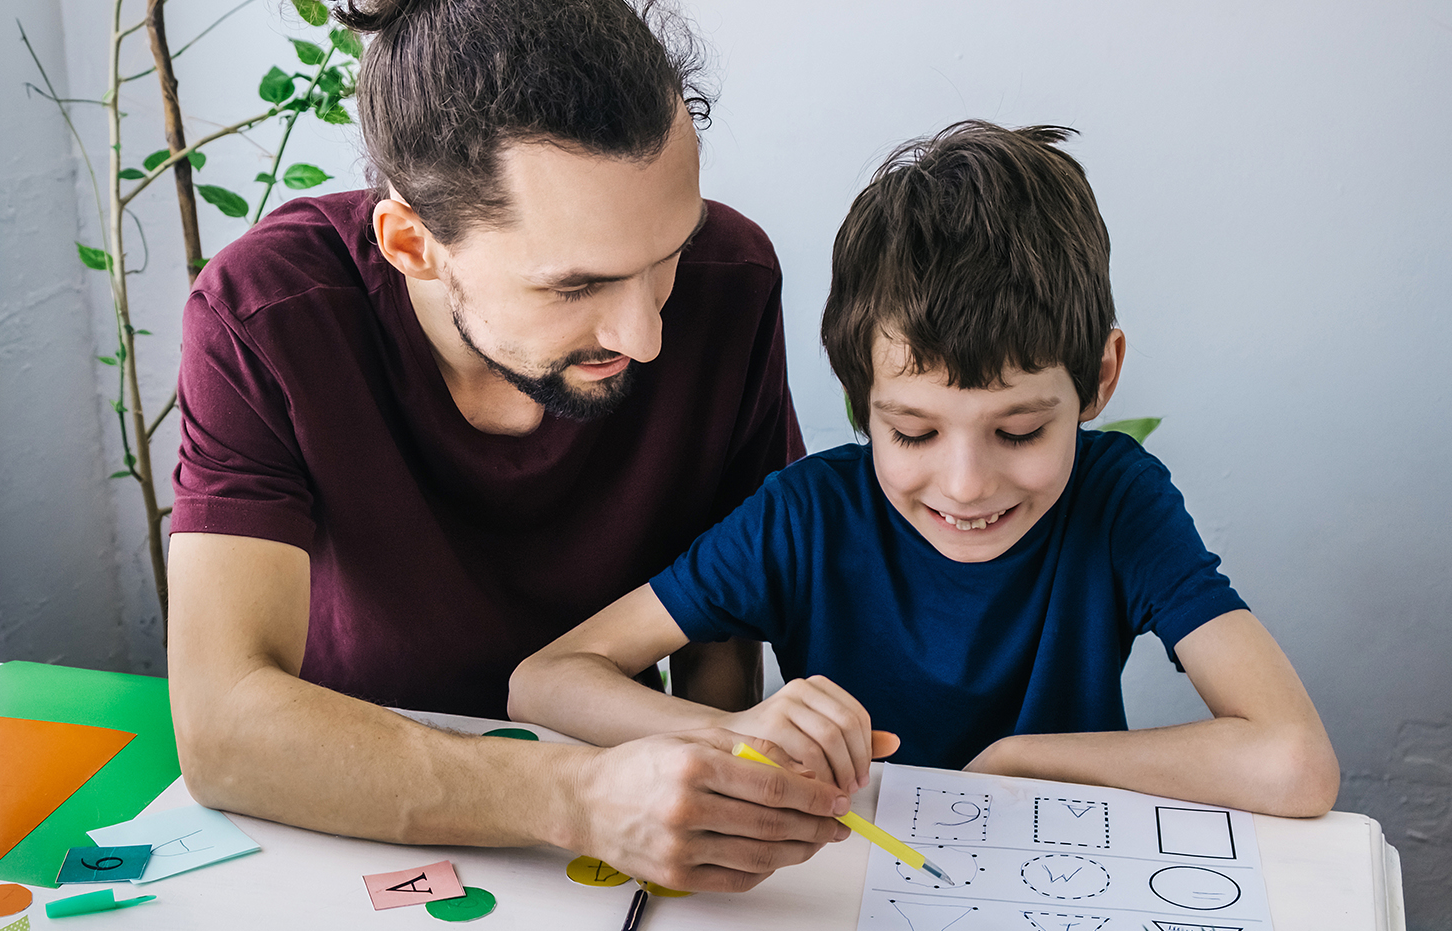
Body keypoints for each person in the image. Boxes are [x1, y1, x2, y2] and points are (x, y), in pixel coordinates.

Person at [165, 0, 853, 893]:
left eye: (667, 254)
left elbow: (720, 631)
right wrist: (576, 797)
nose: (645, 334)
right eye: (576, 286)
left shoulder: (733, 279)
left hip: (629, 839)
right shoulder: (265, 315)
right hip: (354, 826)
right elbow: (224, 727)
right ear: (413, 243)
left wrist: (716, 803)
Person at [509, 121, 1340, 817]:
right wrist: (740, 734)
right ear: (860, 398)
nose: (967, 484)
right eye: (911, 433)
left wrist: (1023, 761)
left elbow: (1294, 762)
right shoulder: (804, 518)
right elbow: (545, 683)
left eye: (1018, 431)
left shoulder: (1118, 502)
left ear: (1099, 380)